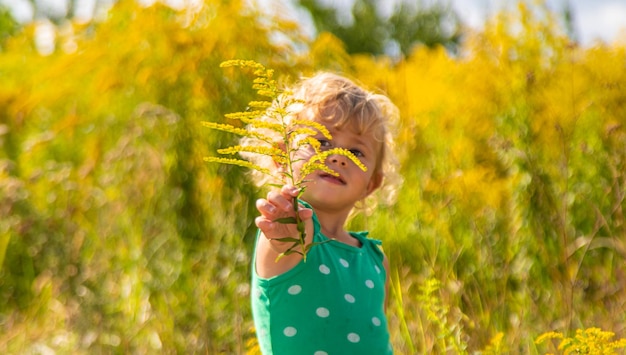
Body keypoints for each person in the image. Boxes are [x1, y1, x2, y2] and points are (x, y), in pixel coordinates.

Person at [247, 72, 402, 354]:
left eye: (356, 151)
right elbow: (291, 236)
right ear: (282, 157)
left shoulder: (375, 259)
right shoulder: (291, 232)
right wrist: (285, 225)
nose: (338, 157)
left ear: (372, 183)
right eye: (321, 143)